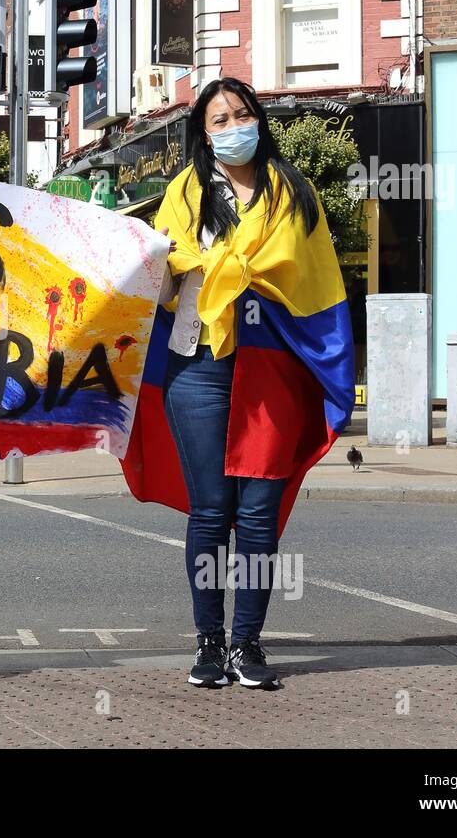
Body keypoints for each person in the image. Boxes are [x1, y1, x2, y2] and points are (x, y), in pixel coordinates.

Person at [128, 77, 354, 692]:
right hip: (197, 363)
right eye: (218, 120)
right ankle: (209, 641)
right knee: (210, 511)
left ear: (259, 119)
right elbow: (164, 283)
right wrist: (162, 269)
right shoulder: (183, 193)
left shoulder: (294, 196)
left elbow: (317, 285)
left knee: (257, 516)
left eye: (241, 115)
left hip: (272, 367)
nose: (232, 128)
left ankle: (247, 645)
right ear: (203, 133)